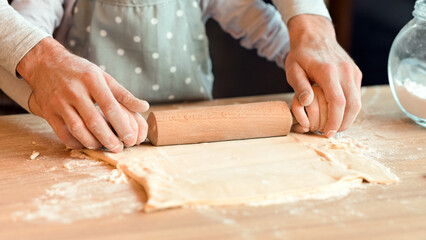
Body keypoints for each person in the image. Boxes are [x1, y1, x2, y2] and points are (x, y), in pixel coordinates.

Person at [1, 0, 362, 152]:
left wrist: (311, 81)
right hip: (91, 139)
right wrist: (37, 92)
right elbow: (25, 47)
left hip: (195, 145)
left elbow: (266, 29)